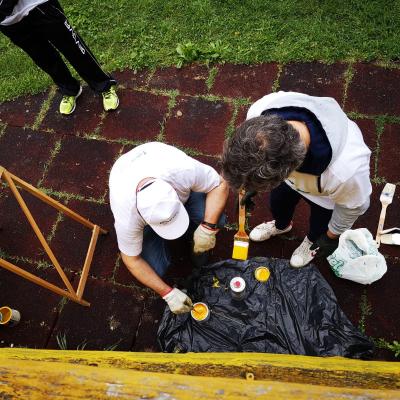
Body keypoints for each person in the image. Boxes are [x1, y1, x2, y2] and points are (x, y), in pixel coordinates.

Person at [221, 91, 371, 267]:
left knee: (319, 224)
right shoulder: (260, 110)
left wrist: (331, 236)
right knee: (278, 204)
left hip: (324, 197)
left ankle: (311, 241)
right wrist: (250, 184)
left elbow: (353, 206)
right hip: (287, 178)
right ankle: (281, 225)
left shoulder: (346, 172)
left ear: (290, 169)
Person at [109, 142, 229, 314]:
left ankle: (197, 244)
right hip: (126, 179)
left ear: (173, 189)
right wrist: (168, 293)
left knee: (218, 219)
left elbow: (220, 184)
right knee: (156, 267)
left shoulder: (181, 170)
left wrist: (208, 228)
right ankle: (168, 236)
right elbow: (131, 260)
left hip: (160, 165)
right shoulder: (127, 215)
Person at [0, 0, 119, 115]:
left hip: (38, 5)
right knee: (44, 58)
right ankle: (70, 89)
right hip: (9, 22)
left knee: (72, 48)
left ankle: (104, 85)